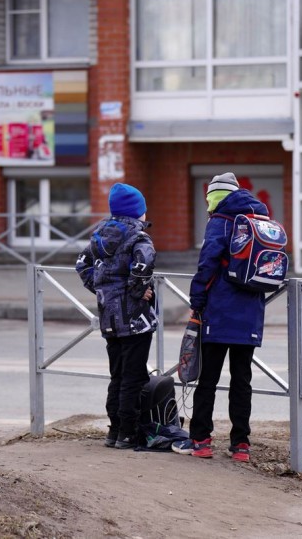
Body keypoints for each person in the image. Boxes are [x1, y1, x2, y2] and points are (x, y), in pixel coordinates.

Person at [172, 172, 266, 463]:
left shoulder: (220, 221)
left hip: (219, 311)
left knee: (208, 379)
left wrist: (196, 301)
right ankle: (241, 445)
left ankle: (200, 441)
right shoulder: (260, 220)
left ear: (214, 197)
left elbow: (207, 264)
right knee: (242, 380)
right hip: (250, 312)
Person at [76, 182, 157, 449]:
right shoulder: (138, 237)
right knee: (134, 378)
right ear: (138, 212)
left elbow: (82, 264)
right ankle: (127, 433)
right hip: (134, 320)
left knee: (118, 376)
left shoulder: (100, 234)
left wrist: (102, 289)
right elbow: (143, 264)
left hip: (109, 318)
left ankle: (113, 431)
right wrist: (137, 290)